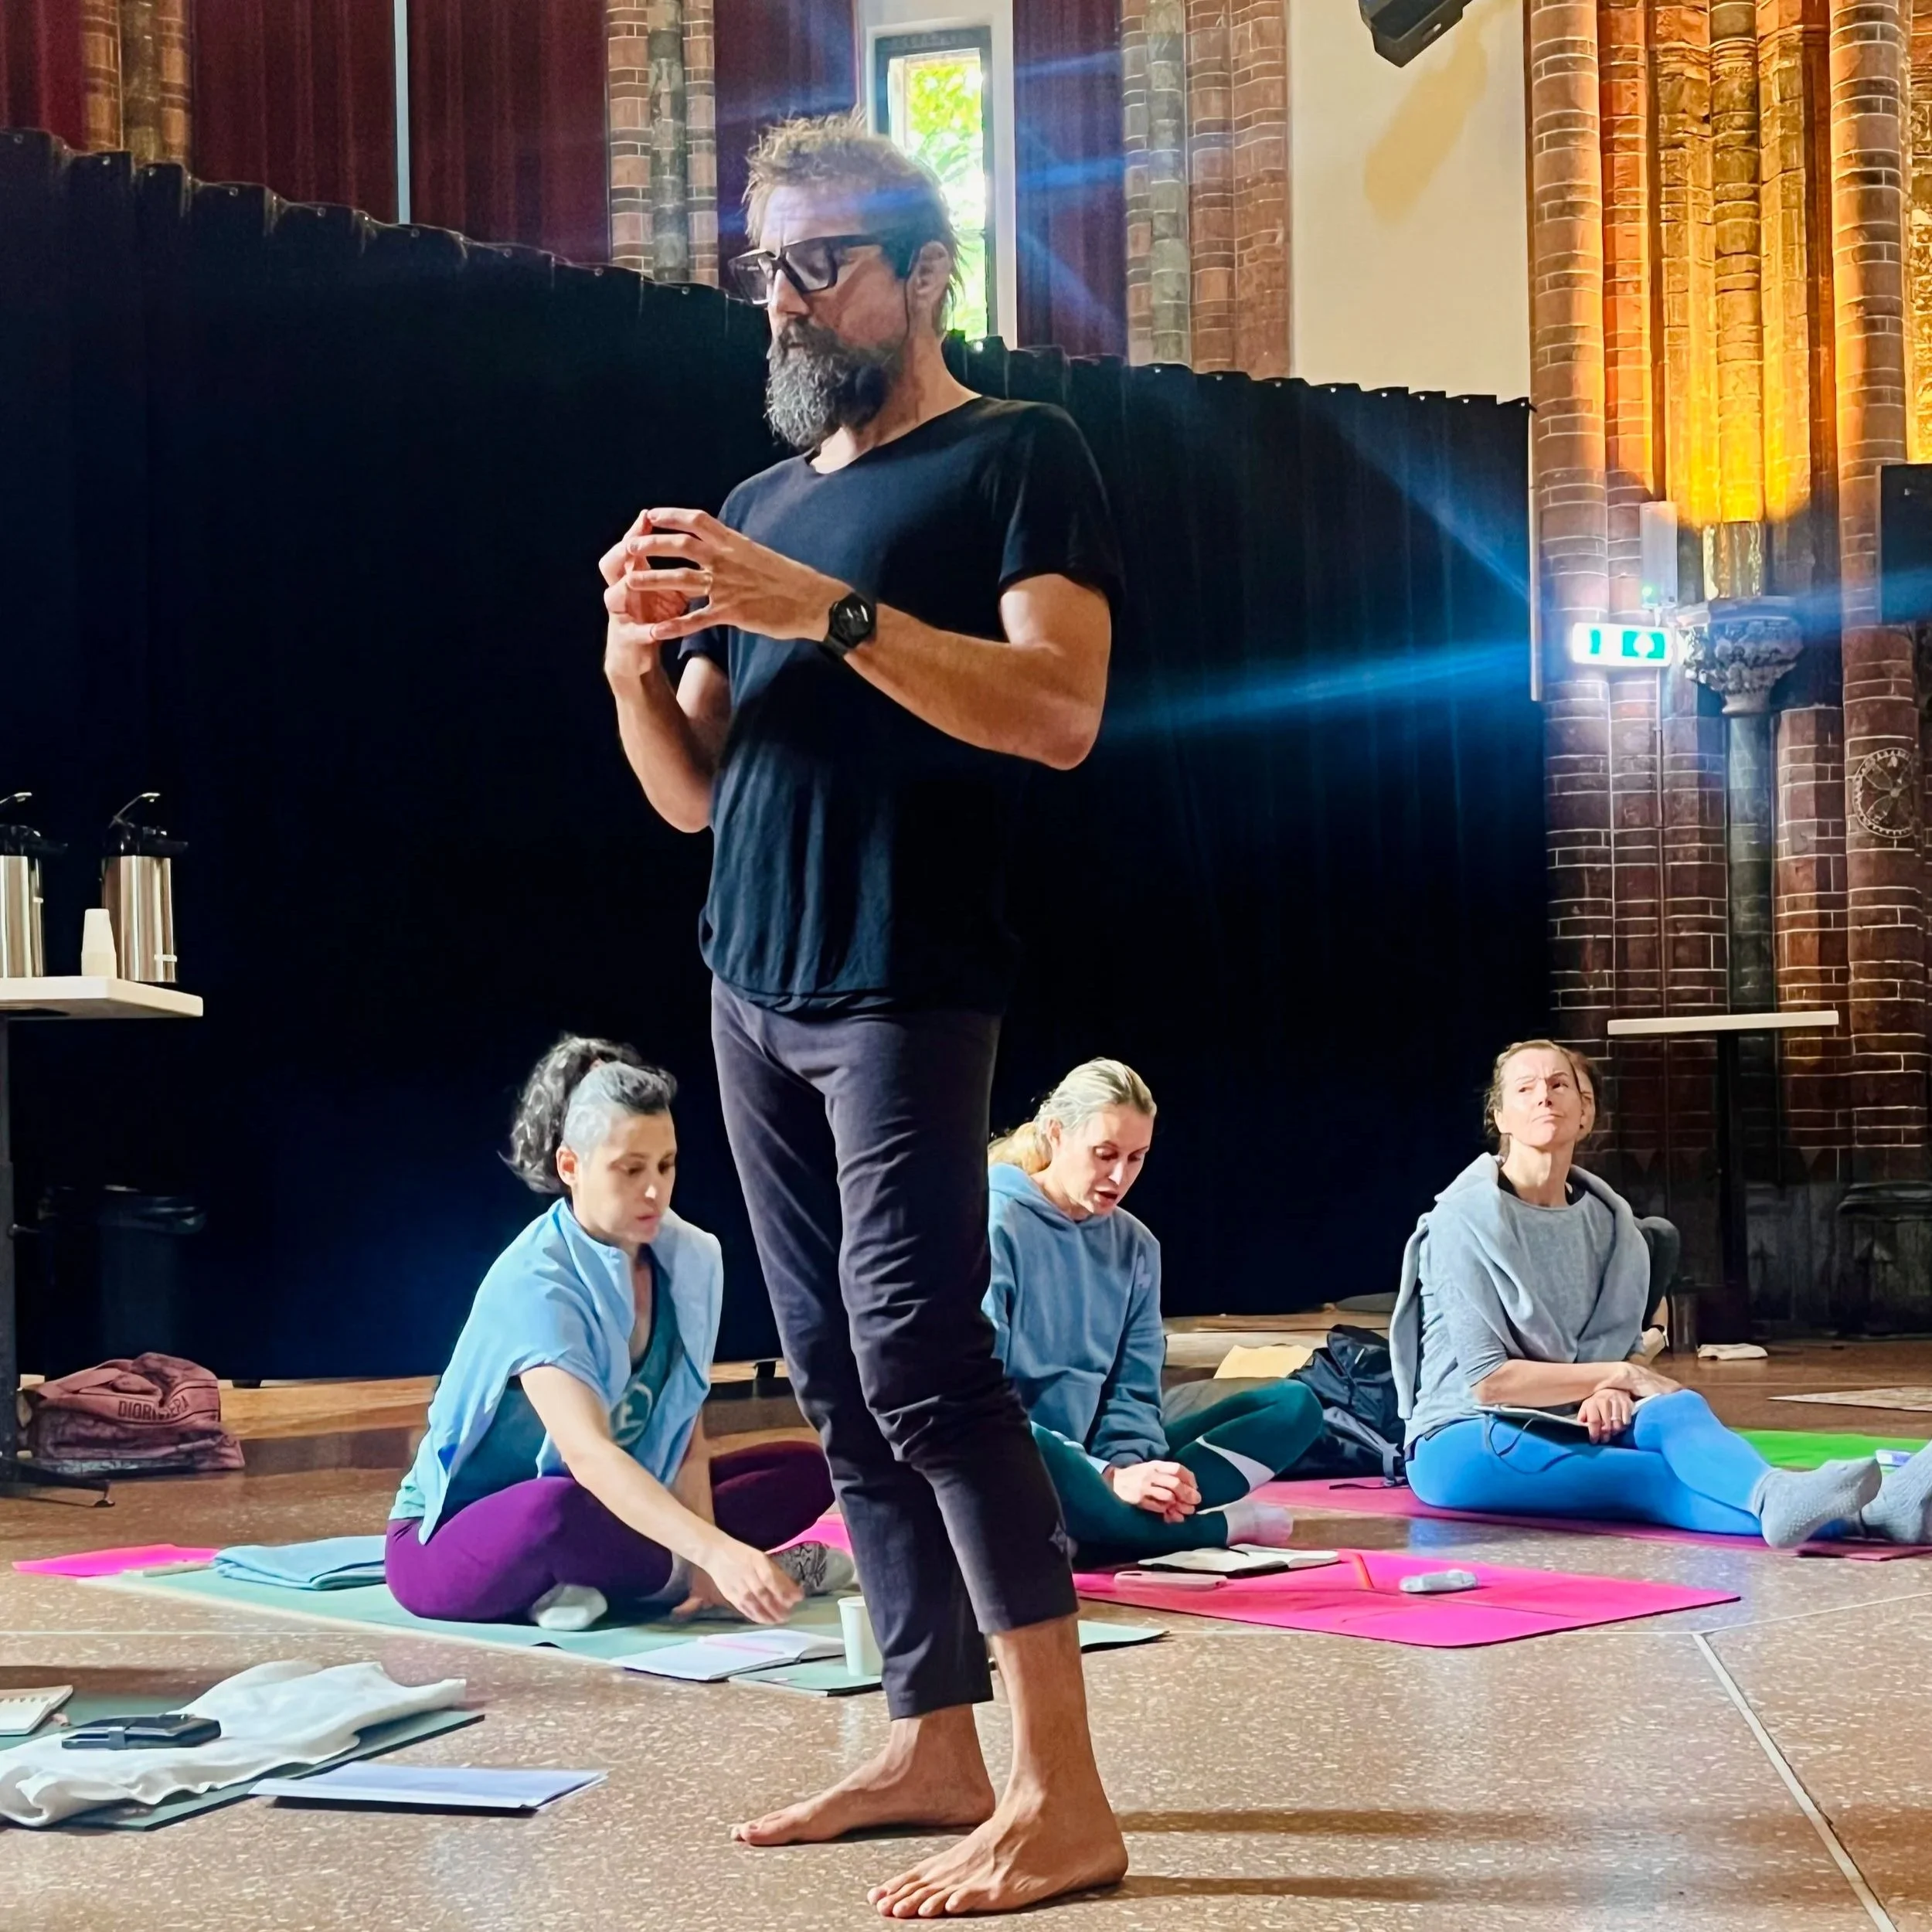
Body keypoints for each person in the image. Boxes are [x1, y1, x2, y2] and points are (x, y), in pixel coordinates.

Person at [595, 114, 1127, 1917]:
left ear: (927, 269)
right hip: (751, 979)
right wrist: (629, 670)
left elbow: (1056, 709)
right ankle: (930, 1732)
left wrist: (826, 613)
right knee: (826, 1369)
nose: (790, 294)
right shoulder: (753, 507)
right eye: (771, 264)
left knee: (919, 1354)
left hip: (908, 972)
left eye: (826, 258)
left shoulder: (1017, 455)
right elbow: (693, 789)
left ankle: (1066, 1793)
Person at [1387, 1039, 1925, 1546]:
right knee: (1652, 1477)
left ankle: (1807, 1503)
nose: (1544, 1095)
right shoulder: (1462, 1222)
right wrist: (1618, 1375)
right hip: (1463, 1438)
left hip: (1572, 1415)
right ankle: (1858, 1516)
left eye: (1559, 1084)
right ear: (1501, 1118)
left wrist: (1610, 1388)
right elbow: (1489, 1383)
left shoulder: (1611, 1224)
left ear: (1585, 1111)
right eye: (1524, 1088)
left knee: (1676, 1408)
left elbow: (1612, 1350)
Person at [386, 1037, 845, 1629]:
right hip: (457, 1535)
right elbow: (589, 1456)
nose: (654, 1190)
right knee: (556, 1512)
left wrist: (710, 1555)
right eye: (630, 1170)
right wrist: (711, 1551)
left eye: (665, 1165)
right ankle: (705, 1574)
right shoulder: (537, 1279)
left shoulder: (692, 1257)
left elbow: (684, 1433)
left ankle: (623, 1578)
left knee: (802, 1469)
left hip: (612, 1510)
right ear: (571, 1167)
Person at [985, 1060, 1323, 1561]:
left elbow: (1134, 1389)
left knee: (1296, 1407)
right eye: (1104, 1155)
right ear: (1056, 1135)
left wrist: (1137, 1468)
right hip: (1018, 1453)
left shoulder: (1137, 1245)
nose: (1119, 1176)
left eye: (1136, 1158)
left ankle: (1110, 1528)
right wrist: (1109, 1478)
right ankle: (1203, 1530)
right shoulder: (996, 1219)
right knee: (1012, 1434)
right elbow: (982, 1392)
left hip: (1094, 1461)